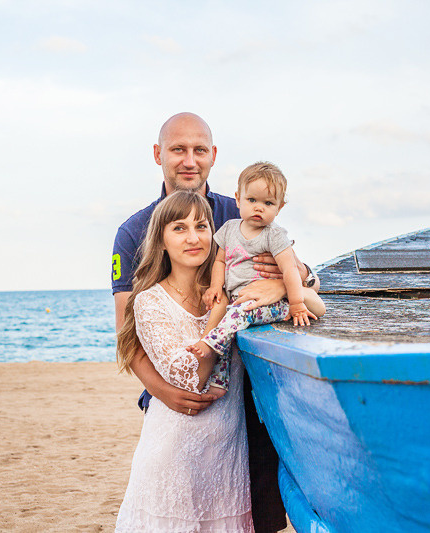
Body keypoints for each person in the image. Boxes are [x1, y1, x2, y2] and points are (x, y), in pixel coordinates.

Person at [112, 112, 319, 532]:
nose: (189, 160)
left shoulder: (242, 210)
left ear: (213, 155)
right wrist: (164, 391)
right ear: (158, 154)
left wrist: (290, 280)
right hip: (179, 392)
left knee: (256, 514)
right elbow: (127, 329)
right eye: (178, 149)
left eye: (199, 150)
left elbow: (300, 275)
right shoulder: (133, 231)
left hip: (248, 395)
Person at [115, 190, 252, 531]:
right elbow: (189, 379)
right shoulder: (150, 301)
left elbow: (303, 291)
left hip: (226, 461)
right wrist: (219, 315)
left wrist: (279, 289)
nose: (193, 238)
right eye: (179, 228)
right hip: (172, 460)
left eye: (201, 226)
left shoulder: (232, 288)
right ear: (161, 241)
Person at [188, 162, 326, 396]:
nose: (258, 208)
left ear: (279, 208)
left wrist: (296, 303)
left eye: (268, 203)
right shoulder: (229, 229)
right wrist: (215, 286)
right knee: (229, 332)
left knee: (236, 316)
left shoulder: (274, 235)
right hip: (239, 300)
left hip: (267, 302)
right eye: (251, 200)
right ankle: (219, 383)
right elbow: (220, 261)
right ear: (238, 199)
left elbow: (290, 270)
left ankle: (211, 342)